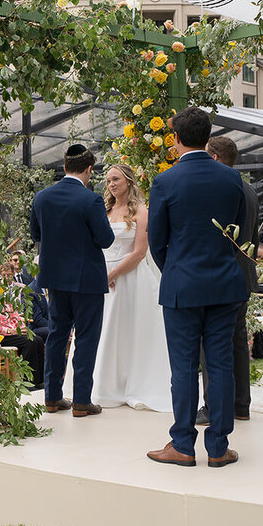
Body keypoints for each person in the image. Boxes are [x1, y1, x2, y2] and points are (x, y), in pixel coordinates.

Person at [146, 108, 248, 468]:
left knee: (184, 368)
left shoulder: (165, 182)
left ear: (175, 139)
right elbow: (239, 233)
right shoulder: (231, 179)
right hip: (224, 282)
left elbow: (156, 240)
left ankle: (182, 445)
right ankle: (218, 447)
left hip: (182, 286)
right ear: (208, 137)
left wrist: (174, 269)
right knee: (220, 365)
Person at [73, 164, 172, 412]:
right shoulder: (103, 210)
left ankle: (131, 383)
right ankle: (99, 386)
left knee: (130, 331)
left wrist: (114, 274)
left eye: (115, 179)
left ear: (128, 180)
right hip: (100, 275)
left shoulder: (141, 211)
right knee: (100, 329)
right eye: (107, 181)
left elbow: (140, 252)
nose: (111, 184)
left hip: (129, 278)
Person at [29, 144, 116, 417]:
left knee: (56, 335)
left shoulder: (42, 197)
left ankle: (52, 398)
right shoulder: (91, 200)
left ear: (64, 167)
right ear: (89, 170)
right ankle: (81, 401)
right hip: (86, 279)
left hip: (54, 278)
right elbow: (105, 239)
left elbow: (35, 234)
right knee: (86, 339)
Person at [196, 136, 262, 425]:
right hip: (243, 276)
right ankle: (240, 405)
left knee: (212, 345)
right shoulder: (248, 189)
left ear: (214, 157)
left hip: (221, 277)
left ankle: (213, 408)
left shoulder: (219, 189)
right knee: (237, 343)